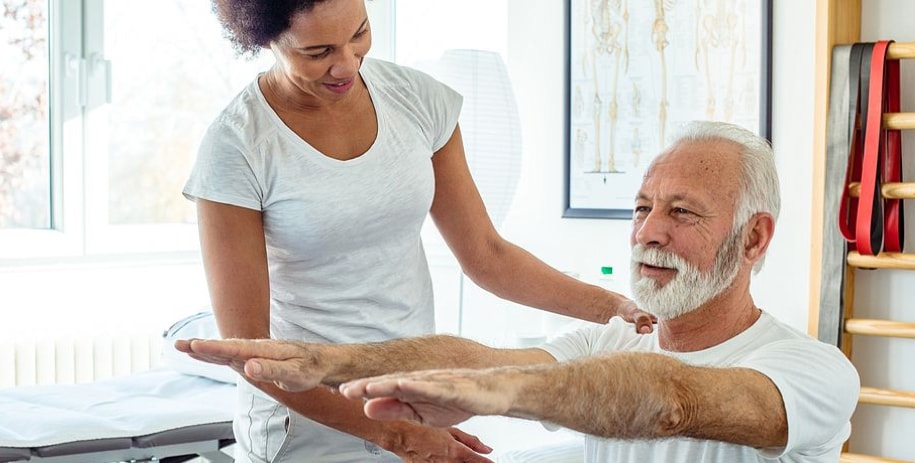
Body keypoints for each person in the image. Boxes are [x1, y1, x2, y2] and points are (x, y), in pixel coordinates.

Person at [179, 121, 861, 462]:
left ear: (753, 238)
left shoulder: (809, 371)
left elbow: (670, 400)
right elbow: (483, 357)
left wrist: (506, 393)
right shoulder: (612, 336)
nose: (647, 233)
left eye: (681, 213)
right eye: (640, 207)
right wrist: (334, 361)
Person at [182, 1, 654, 462]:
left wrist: (613, 308)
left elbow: (488, 254)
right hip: (308, 422)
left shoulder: (417, 100)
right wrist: (395, 435)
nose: (346, 64)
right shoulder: (236, 146)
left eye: (359, 33)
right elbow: (249, 350)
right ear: (266, 38)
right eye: (318, 52)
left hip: (411, 393)